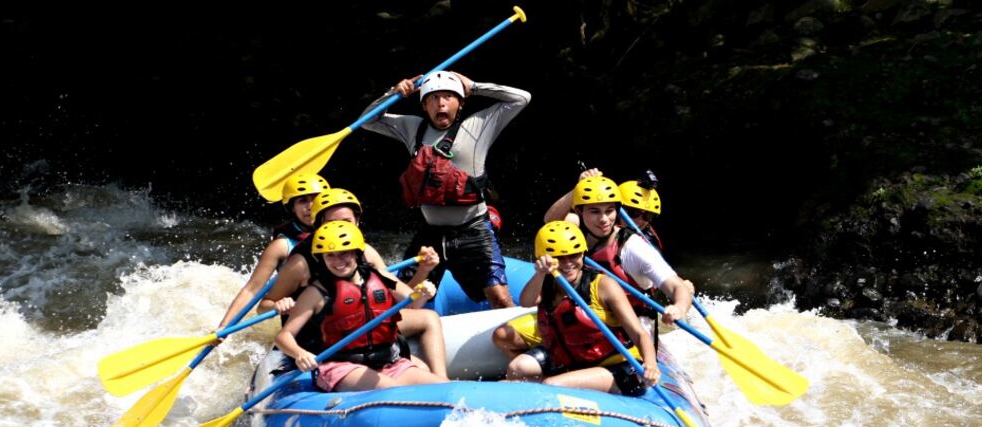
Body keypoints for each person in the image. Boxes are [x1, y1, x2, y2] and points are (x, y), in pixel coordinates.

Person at [360, 70, 530, 308]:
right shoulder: (413, 128)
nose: (441, 103)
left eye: (448, 97)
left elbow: (522, 98)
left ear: (460, 103)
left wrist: (475, 86)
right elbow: (366, 121)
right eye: (434, 98)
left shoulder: (478, 125)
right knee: (400, 300)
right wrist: (393, 95)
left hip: (474, 230)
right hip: (431, 233)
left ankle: (518, 341)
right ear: (424, 105)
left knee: (500, 299)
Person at [493, 173, 694, 359]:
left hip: (622, 325)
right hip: (578, 317)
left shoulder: (634, 248)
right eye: (594, 212)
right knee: (503, 336)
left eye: (609, 211)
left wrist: (678, 307)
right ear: (580, 211)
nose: (604, 219)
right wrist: (578, 188)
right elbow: (550, 223)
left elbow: (677, 287)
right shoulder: (574, 231)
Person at [263, 187, 448, 378]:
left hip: (363, 322)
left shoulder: (364, 251)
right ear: (319, 225)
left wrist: (423, 272)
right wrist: (279, 305)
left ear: (357, 222)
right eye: (332, 223)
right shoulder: (300, 263)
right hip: (323, 337)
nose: (341, 228)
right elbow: (264, 306)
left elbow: (393, 297)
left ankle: (442, 379)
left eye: (346, 222)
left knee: (428, 318)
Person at [505, 221, 659, 395]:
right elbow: (526, 301)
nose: (568, 263)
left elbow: (639, 333)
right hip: (572, 361)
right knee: (517, 368)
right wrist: (540, 273)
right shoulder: (546, 282)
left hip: (615, 365)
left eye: (574, 255)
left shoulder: (603, 286)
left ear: (583, 253)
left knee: (552, 385)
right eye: (559, 257)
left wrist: (651, 364)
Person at [216, 172, 328, 330]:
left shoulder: (342, 236)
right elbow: (252, 290)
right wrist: (224, 327)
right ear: (292, 208)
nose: (310, 206)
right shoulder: (282, 246)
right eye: (303, 201)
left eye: (315, 199)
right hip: (299, 329)